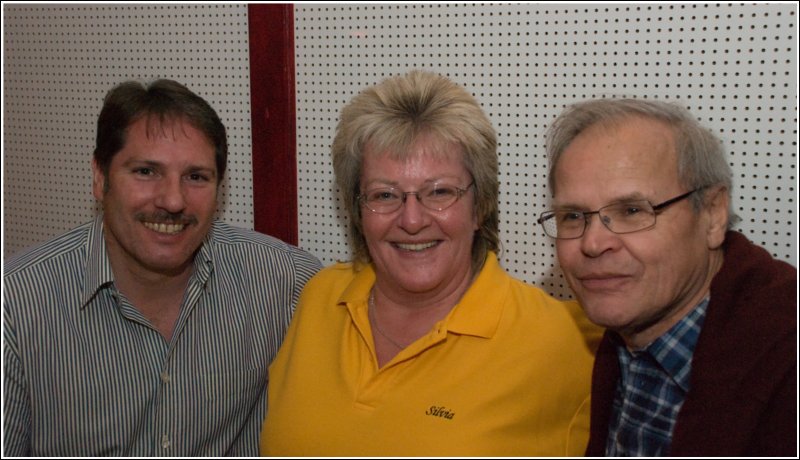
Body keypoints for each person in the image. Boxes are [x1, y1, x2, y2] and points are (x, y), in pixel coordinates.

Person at [259, 70, 599, 456]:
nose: (412, 220)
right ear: (358, 211)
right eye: (385, 195)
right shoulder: (320, 297)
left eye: (440, 192)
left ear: (479, 206)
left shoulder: (566, 341)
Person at [3, 79, 322, 456]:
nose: (173, 200)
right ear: (99, 177)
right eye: (145, 172)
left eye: (196, 177)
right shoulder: (15, 306)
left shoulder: (285, 281)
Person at [538, 98, 797, 456]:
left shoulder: (786, 367)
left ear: (712, 214)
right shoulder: (623, 341)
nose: (593, 243)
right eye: (572, 216)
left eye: (631, 210)